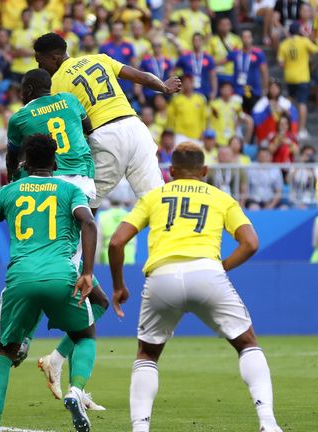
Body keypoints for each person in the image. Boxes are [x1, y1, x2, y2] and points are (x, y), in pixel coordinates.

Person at [108, 143, 282, 432]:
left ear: (171, 171)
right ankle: (268, 422)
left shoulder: (154, 196)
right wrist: (221, 267)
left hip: (161, 277)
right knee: (247, 343)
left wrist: (118, 286)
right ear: (205, 171)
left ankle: (140, 428)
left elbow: (116, 242)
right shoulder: (220, 198)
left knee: (148, 354)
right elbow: (250, 243)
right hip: (207, 272)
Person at [0, 133, 98, 432]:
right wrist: (87, 271)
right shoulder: (69, 189)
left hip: (20, 278)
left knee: (4, 352)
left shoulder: (7, 192)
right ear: (56, 160)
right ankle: (75, 390)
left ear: (24, 162)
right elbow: (88, 222)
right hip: (62, 276)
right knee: (84, 336)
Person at [4, 69, 106, 408]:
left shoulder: (20, 117)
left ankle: (43, 351)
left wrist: (13, 187)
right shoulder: (70, 100)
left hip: (46, 182)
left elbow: (11, 161)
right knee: (86, 289)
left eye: (22, 88)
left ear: (30, 88)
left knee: (62, 271)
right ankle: (55, 361)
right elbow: (88, 130)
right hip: (81, 185)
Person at [33, 32, 181, 212]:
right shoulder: (99, 58)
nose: (40, 66)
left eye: (40, 61)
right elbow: (140, 76)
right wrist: (163, 87)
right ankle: (175, 238)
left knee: (83, 204)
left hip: (106, 136)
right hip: (136, 128)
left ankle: (78, 241)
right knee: (156, 200)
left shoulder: (56, 82)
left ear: (53, 57)